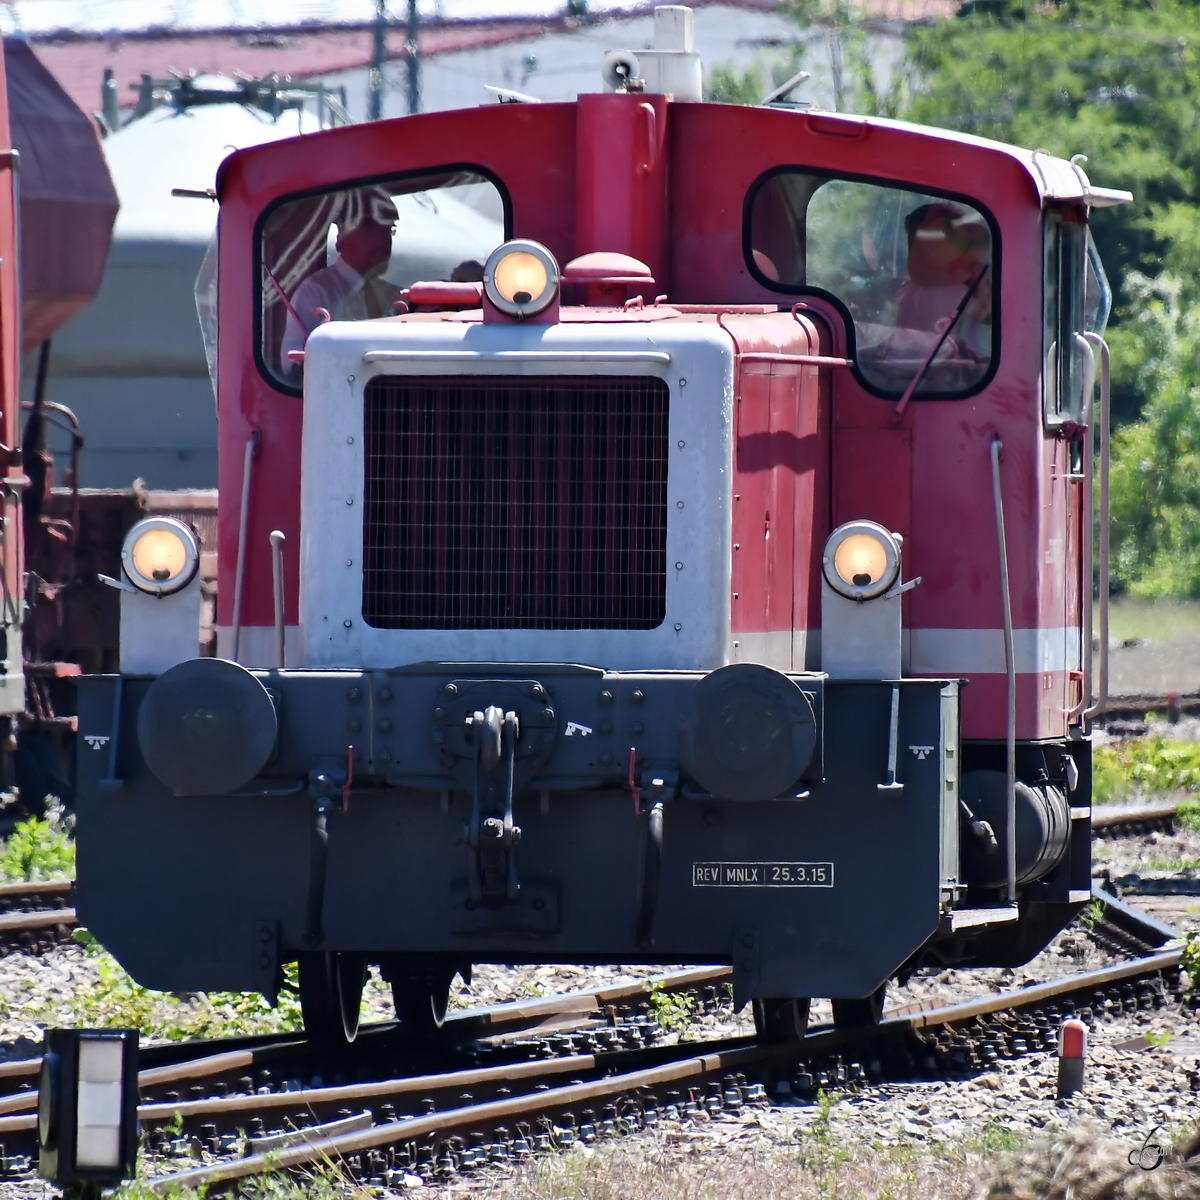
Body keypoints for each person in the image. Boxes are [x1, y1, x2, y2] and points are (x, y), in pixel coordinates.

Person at [280, 195, 400, 369]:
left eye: (388, 229)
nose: (382, 240)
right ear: (341, 236)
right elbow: (292, 366)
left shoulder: (391, 295)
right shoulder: (315, 292)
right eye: (369, 227)